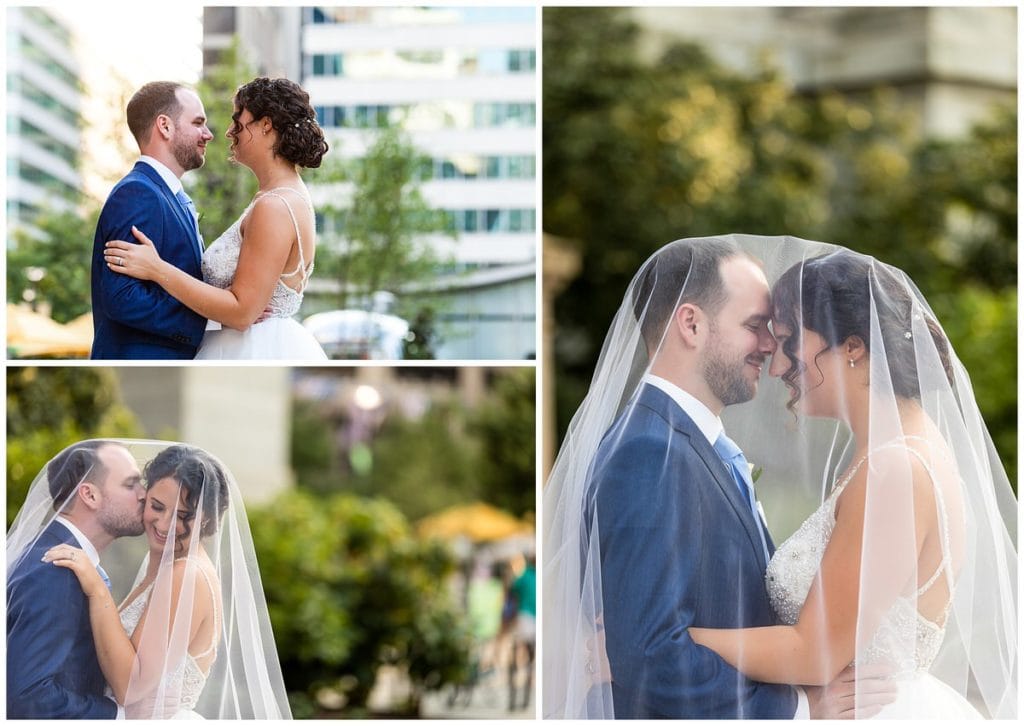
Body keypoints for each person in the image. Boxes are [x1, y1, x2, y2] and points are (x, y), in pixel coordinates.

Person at [542, 237, 898, 719]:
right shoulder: (647, 452)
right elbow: (650, 656)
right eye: (755, 326)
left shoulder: (698, 445)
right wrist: (798, 706)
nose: (773, 347)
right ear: (691, 323)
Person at [686, 243, 1017, 719]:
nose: (778, 366)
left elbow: (814, 652)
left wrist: (668, 640)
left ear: (854, 347)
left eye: (790, 342)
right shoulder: (896, 452)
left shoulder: (895, 470)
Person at [7, 440, 291, 719]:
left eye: (184, 515)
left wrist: (97, 589)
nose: (166, 524)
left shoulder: (187, 574)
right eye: (156, 506)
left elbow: (131, 687)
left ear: (205, 518)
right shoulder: (158, 568)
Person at [103, 77, 329, 360]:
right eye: (198, 123)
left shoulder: (275, 205)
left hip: (251, 351)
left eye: (238, 120)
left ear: (266, 124)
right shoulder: (282, 197)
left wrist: (157, 269)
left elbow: (242, 311)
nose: (226, 132)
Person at [7, 441, 145, 718]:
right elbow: (29, 699)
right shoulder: (54, 570)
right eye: (131, 485)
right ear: (90, 495)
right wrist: (120, 715)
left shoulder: (67, 563)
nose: (144, 494)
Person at [91, 82, 213, 359]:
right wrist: (210, 318)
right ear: (165, 126)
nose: (208, 134)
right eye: (198, 123)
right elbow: (122, 298)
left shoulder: (174, 197)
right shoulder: (137, 193)